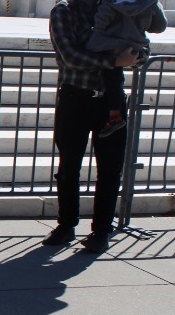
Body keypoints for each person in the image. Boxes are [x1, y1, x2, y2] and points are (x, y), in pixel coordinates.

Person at [45, 0, 141, 254]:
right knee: (68, 167)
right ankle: (66, 225)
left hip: (111, 101)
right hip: (75, 98)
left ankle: (101, 231)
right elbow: (70, 55)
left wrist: (133, 56)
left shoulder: (115, 9)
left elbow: (138, 49)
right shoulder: (63, 11)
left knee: (110, 171)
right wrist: (114, 60)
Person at [86, 0, 167, 137]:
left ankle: (114, 115)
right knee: (116, 76)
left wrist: (99, 30)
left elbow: (101, 21)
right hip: (135, 43)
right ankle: (114, 114)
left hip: (110, 42)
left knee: (109, 68)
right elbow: (160, 26)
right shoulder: (149, 3)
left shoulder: (110, 2)